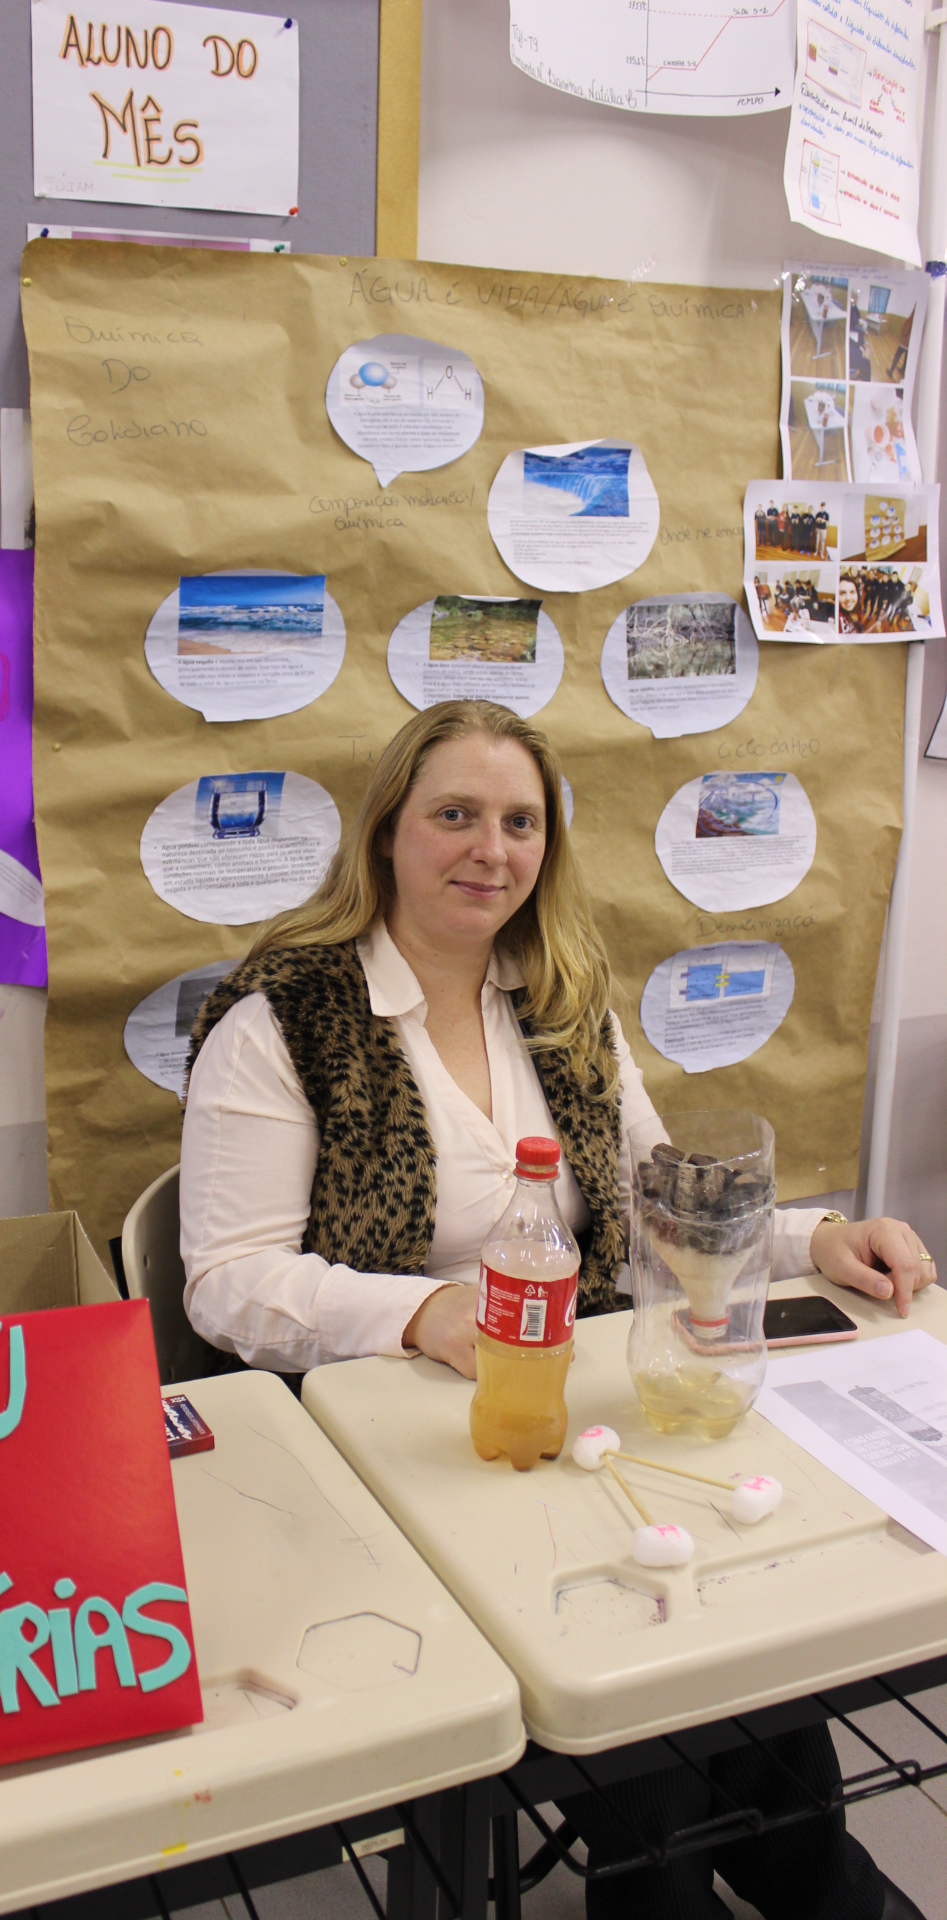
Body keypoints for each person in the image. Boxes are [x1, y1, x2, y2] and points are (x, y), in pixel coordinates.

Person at [181, 702, 935, 1920]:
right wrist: (424, 1314)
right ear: (387, 832)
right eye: (455, 815)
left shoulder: (559, 995)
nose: (490, 850)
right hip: (386, 1447)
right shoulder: (283, 1018)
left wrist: (815, 1239)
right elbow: (226, 1281)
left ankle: (812, 1893)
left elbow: (653, 1204)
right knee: (660, 1693)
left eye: (519, 822)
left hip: (562, 1407)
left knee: (730, 1639)